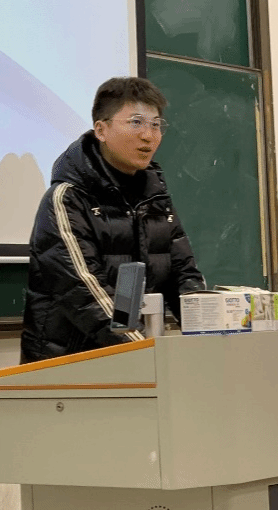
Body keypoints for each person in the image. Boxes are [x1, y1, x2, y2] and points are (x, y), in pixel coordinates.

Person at [20, 77, 205, 363]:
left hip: (134, 359)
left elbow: (183, 275)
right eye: (136, 122)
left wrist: (208, 336)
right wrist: (142, 350)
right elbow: (84, 290)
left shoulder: (155, 199)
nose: (148, 135)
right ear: (101, 130)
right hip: (71, 366)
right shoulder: (68, 199)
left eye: (156, 124)